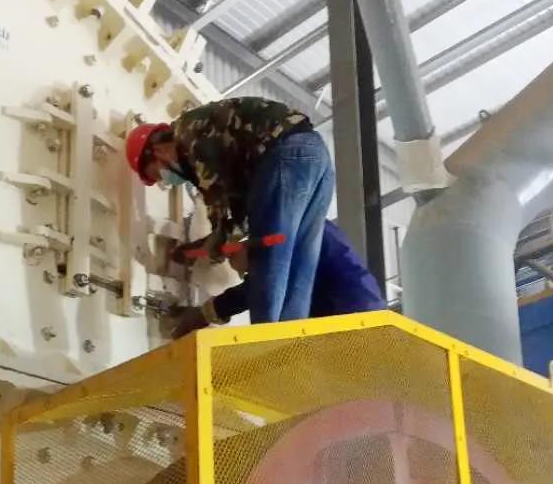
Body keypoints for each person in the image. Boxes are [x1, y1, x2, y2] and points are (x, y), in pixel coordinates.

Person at [125, 97, 336, 325]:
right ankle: (288, 340)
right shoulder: (207, 140)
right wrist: (212, 244)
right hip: (317, 157)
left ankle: (267, 339)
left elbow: (219, 203)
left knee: (268, 259)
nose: (164, 181)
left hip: (285, 154)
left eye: (157, 174)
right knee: (300, 267)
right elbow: (238, 210)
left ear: (157, 151)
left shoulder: (187, 135)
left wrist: (210, 248)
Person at [171, 219, 386, 337]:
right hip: (369, 319)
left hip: (353, 321)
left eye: (243, 269)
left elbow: (262, 282)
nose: (245, 273)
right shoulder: (303, 224)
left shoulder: (281, 236)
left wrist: (206, 313)